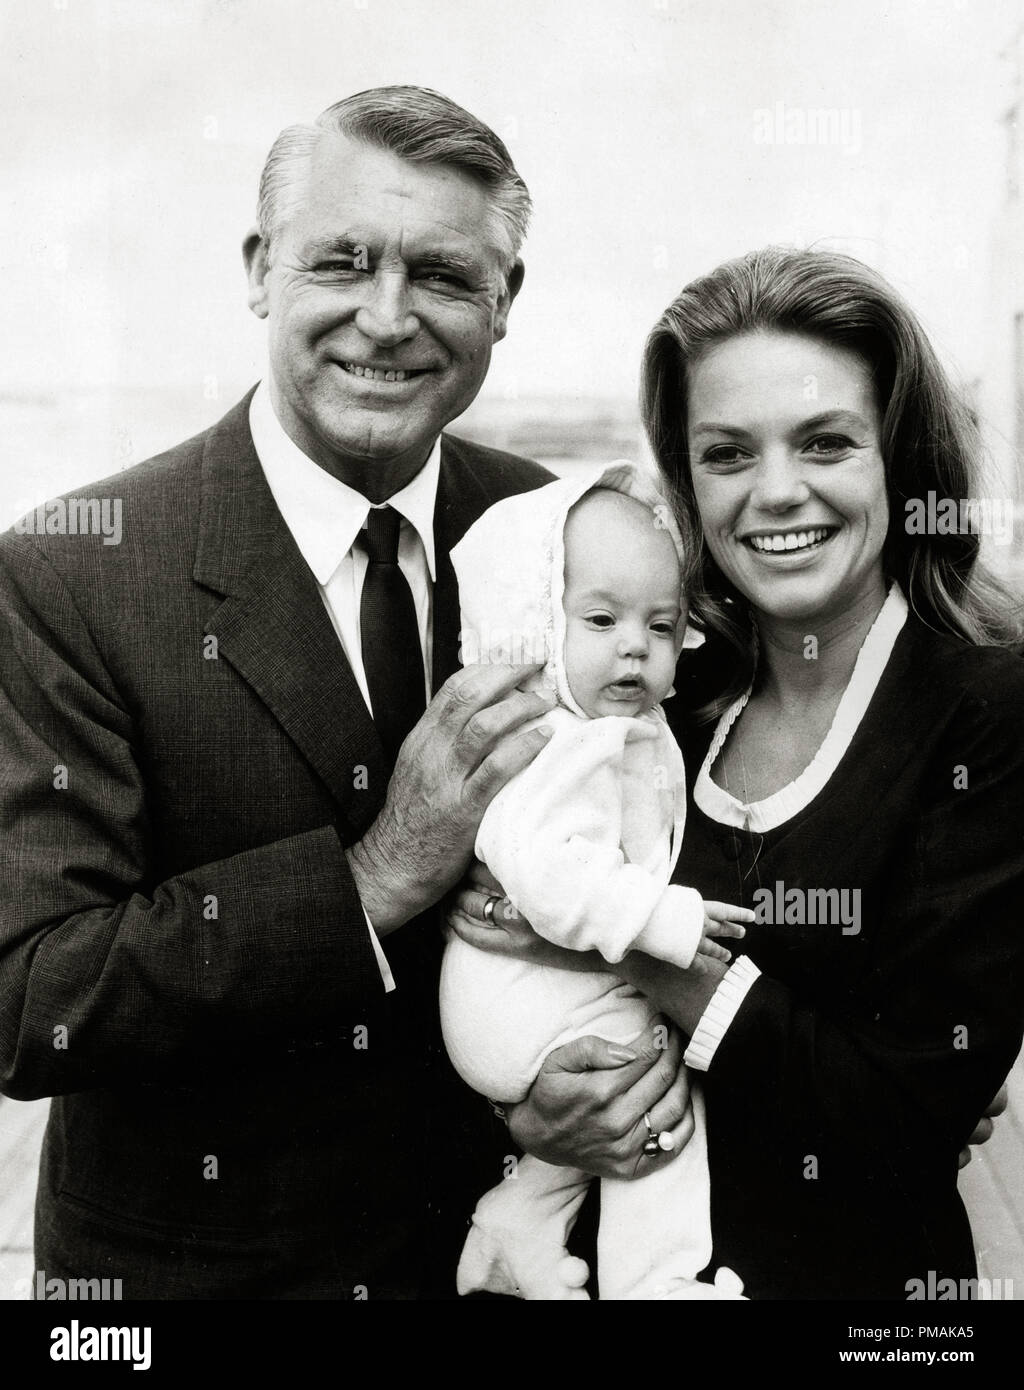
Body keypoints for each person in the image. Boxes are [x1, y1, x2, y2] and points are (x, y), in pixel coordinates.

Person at [0, 85, 694, 1300]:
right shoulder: (71, 571)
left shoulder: (566, 534)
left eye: (439, 273)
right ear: (262, 270)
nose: (387, 318)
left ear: (504, 302)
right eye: (343, 262)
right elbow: (30, 998)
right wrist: (374, 876)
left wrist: (880, 1057)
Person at [451, 246, 1024, 1300]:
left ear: (897, 455)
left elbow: (914, 1109)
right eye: (725, 453)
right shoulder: (674, 690)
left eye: (824, 442)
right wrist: (534, 1104)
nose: (775, 492)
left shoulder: (984, 712)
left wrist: (637, 949)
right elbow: (497, 939)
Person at [441, 465, 751, 1300]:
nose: (635, 648)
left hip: (522, 1001)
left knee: (612, 1101)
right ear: (539, 625)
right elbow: (543, 871)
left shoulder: (614, 726)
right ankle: (660, 1283)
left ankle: (515, 1230)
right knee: (660, 1106)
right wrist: (663, 921)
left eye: (662, 626)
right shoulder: (560, 741)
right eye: (603, 620)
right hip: (521, 1000)